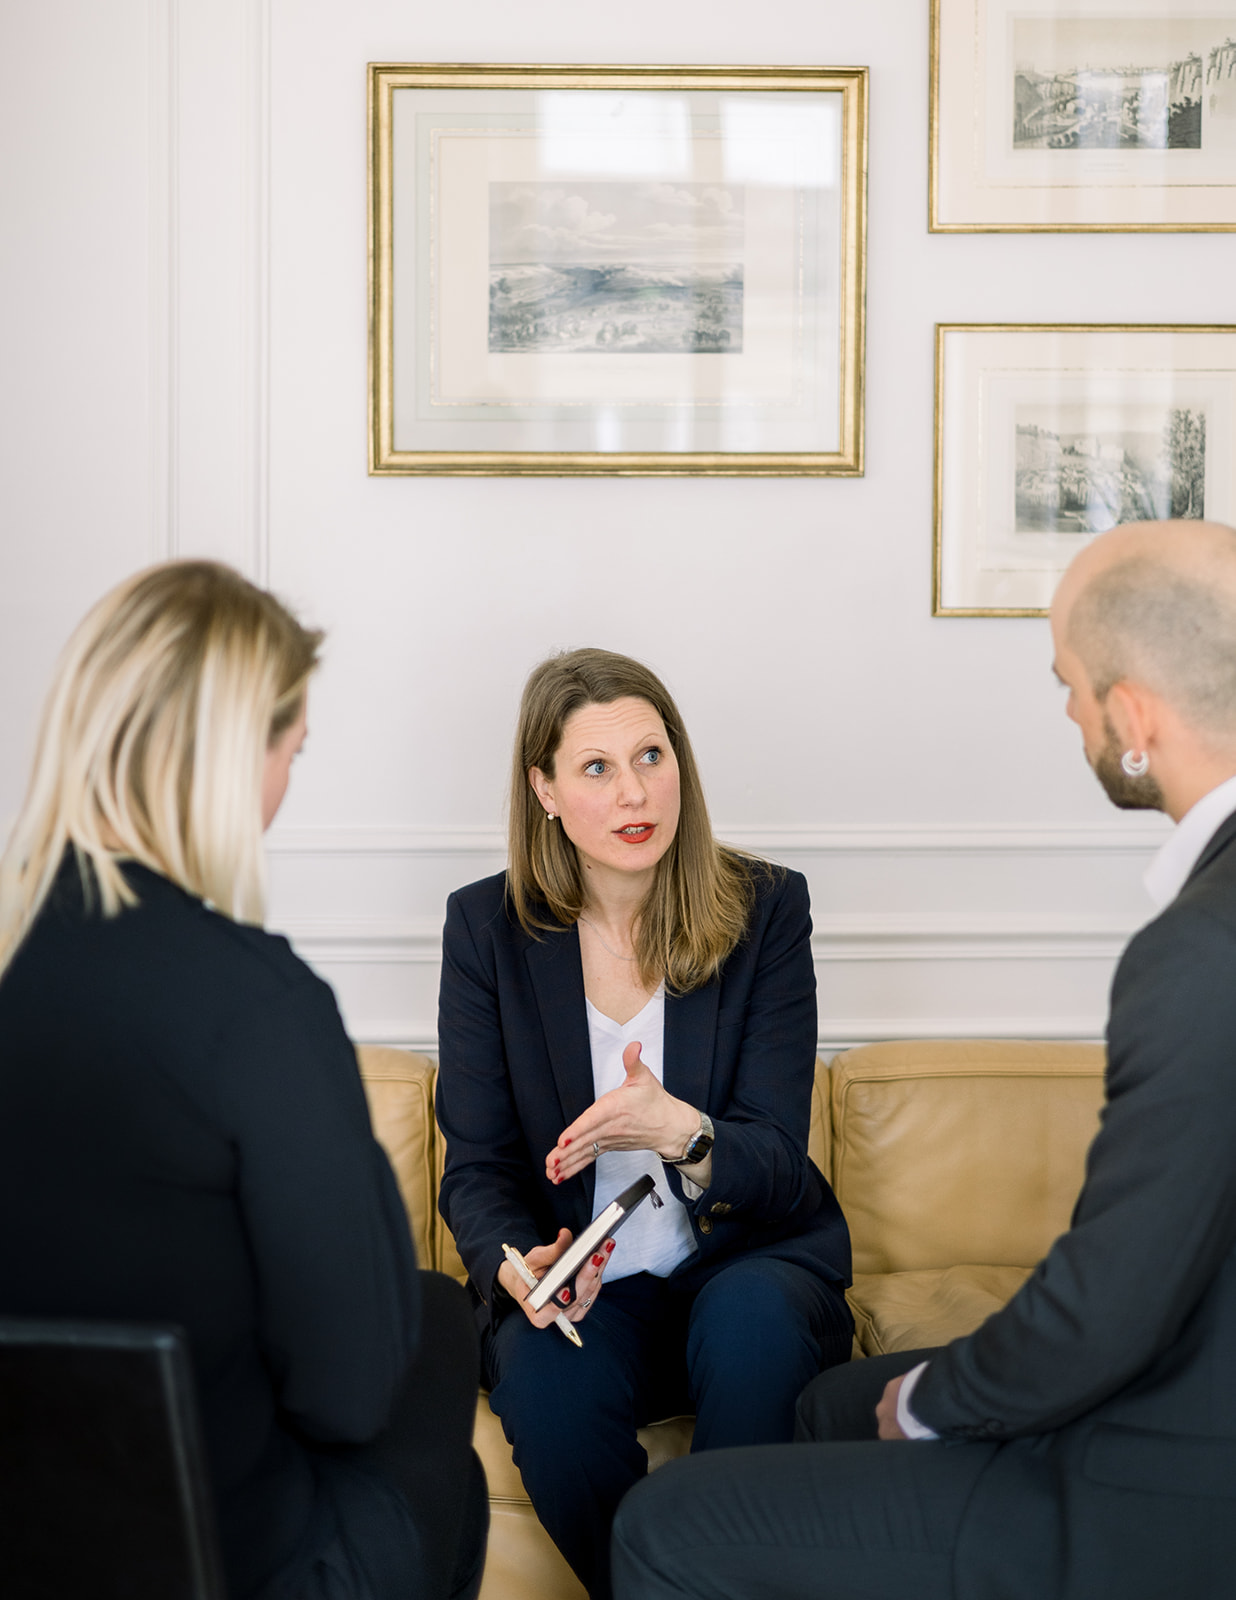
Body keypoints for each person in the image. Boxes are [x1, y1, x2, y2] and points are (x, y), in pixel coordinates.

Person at [611, 517, 1236, 1600]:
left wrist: (941, 1399)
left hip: (1167, 1475)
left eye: (1071, 688)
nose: (1073, 714)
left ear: (1133, 715)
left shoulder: (1200, 952)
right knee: (828, 1405)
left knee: (667, 1523)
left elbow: (1110, 1304)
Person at [0, 561, 487, 1600]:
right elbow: (350, 1396)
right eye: (291, 751)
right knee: (440, 1345)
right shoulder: (258, 1004)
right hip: (230, 1558)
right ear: (232, 759)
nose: (284, 785)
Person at [436, 647, 853, 1599]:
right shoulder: (484, 933)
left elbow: (780, 1166)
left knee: (753, 1324)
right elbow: (481, 1169)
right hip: (592, 1288)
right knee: (540, 1376)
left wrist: (681, 1133)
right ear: (542, 789)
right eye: (596, 768)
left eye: (652, 756)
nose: (636, 792)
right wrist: (519, 1263)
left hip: (744, 1265)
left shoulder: (765, 910)